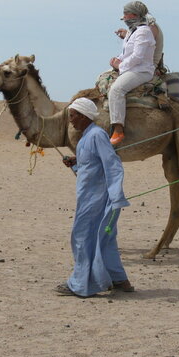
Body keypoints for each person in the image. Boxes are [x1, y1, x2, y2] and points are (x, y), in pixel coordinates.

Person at [56, 97, 134, 297]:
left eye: (73, 116)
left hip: (97, 199)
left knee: (82, 237)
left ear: (83, 116)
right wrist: (75, 164)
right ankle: (120, 281)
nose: (71, 120)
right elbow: (90, 168)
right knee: (104, 239)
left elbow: (112, 164)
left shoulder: (97, 135)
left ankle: (80, 284)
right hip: (89, 196)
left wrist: (116, 196)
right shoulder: (86, 138)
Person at [108, 1, 157, 145]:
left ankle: (118, 129)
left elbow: (138, 56)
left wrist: (120, 66)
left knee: (116, 90)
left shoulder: (144, 31)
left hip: (141, 71)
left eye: (125, 14)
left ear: (134, 15)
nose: (124, 17)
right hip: (130, 68)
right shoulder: (132, 31)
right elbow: (126, 53)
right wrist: (117, 60)